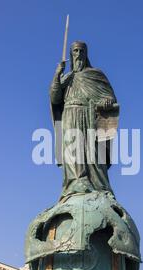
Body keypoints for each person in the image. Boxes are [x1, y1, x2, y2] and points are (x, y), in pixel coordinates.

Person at [50, 41, 119, 200]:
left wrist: (107, 101)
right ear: (71, 55)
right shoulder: (66, 78)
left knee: (93, 153)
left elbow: (110, 97)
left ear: (86, 54)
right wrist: (57, 75)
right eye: (75, 51)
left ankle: (99, 186)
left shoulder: (95, 75)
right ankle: (74, 186)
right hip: (69, 115)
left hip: (90, 117)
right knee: (72, 152)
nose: (78, 54)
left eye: (81, 51)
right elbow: (55, 99)